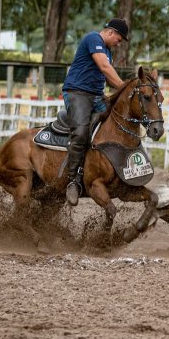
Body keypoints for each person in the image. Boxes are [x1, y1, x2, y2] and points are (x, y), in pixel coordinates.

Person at [62, 18, 128, 206]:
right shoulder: (94, 39)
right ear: (111, 32)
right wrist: (125, 88)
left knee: (117, 121)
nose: (119, 43)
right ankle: (73, 180)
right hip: (76, 93)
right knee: (81, 132)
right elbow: (105, 68)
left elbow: (104, 75)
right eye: (120, 39)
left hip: (96, 96)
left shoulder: (106, 49)